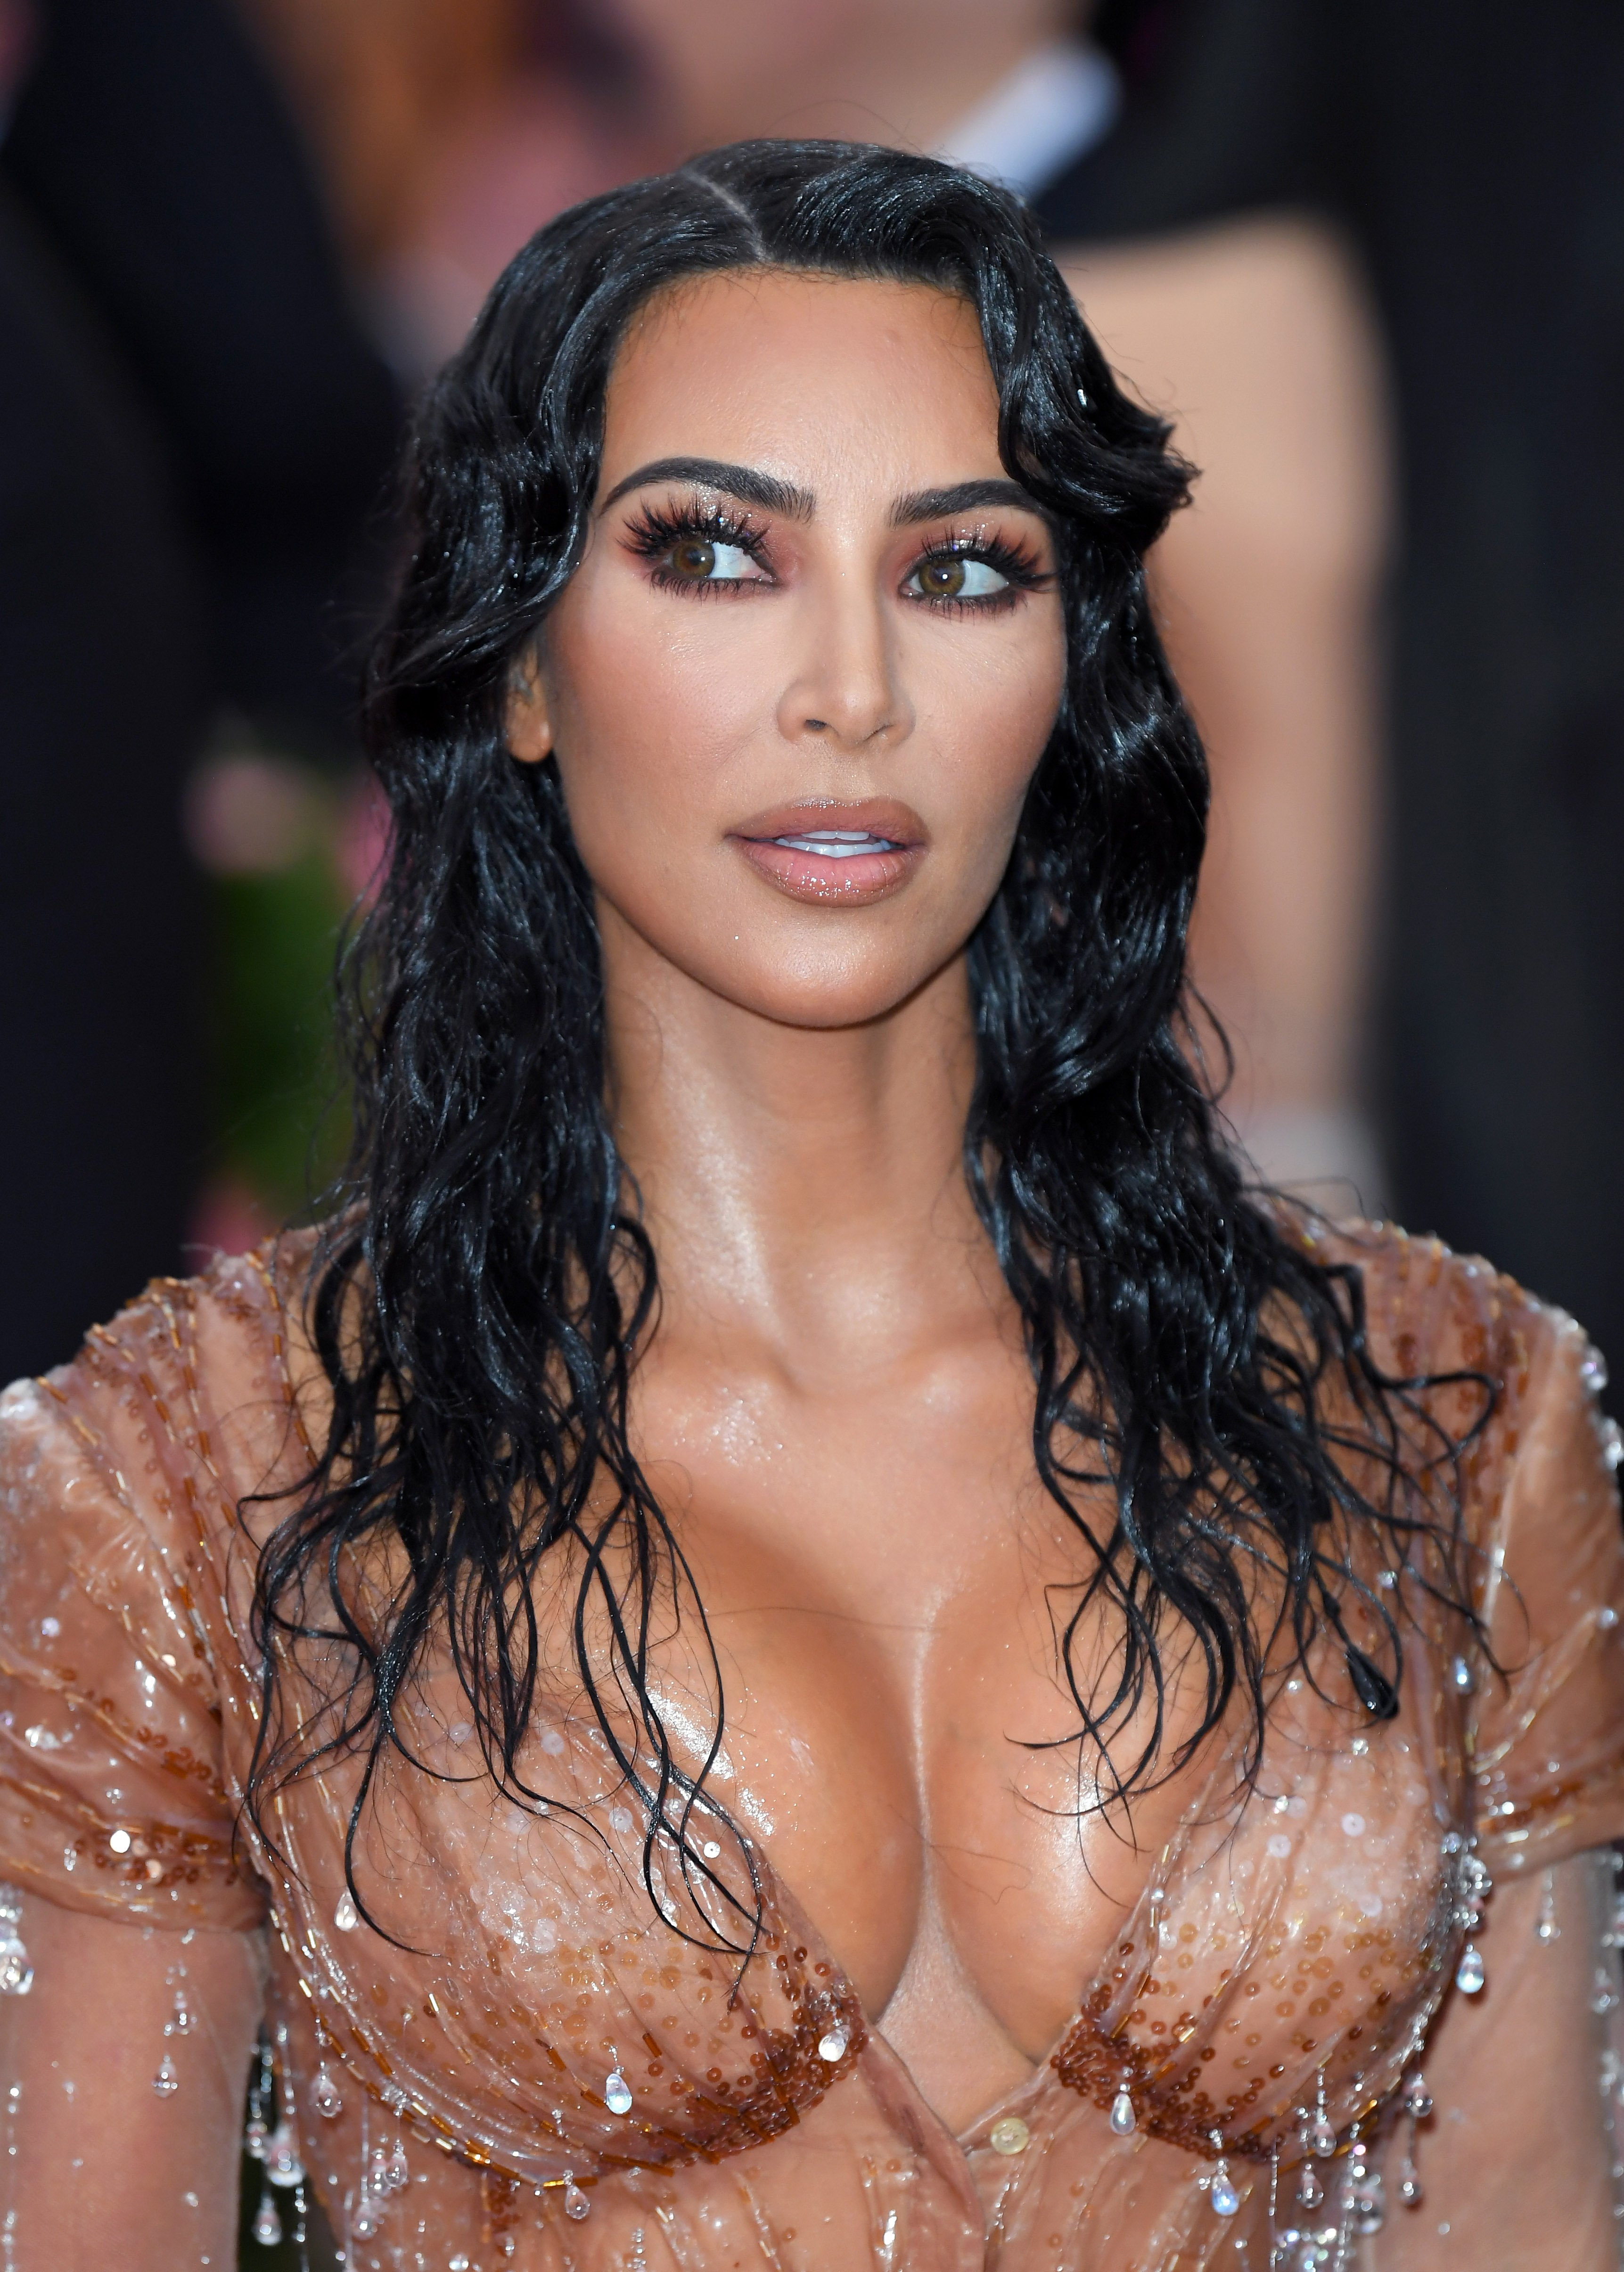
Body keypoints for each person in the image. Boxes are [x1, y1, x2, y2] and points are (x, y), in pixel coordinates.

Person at [0, 142, 1621, 2272]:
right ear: (520, 665)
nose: (849, 688)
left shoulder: (1445, 1423)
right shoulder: (186, 1492)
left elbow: (1518, 2221)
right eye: (712, 554)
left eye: (960, 571)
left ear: (1074, 672)